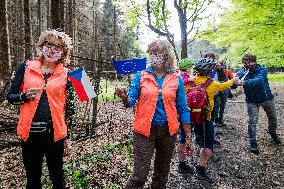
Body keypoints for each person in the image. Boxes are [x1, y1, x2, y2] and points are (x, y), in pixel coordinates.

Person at [115, 39, 192, 189]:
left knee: (161, 175)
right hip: (144, 131)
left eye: (158, 53)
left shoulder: (176, 79)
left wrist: (188, 136)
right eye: (151, 53)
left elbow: (183, 108)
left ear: (167, 55)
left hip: (168, 132)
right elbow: (130, 101)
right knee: (139, 176)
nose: (154, 56)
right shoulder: (141, 76)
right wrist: (124, 96)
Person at [7, 29, 74, 189]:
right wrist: (23, 96)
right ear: (41, 46)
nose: (51, 50)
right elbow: (10, 96)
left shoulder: (68, 74)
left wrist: (68, 137)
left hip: (55, 134)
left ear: (63, 53)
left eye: (58, 48)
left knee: (58, 177)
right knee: (33, 178)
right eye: (49, 45)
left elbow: (75, 106)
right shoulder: (25, 67)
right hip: (29, 134)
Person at [188, 58, 239, 182]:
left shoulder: (190, 82)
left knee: (201, 139)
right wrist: (234, 79)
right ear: (210, 71)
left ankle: (199, 153)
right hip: (206, 118)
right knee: (208, 147)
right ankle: (200, 170)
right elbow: (224, 86)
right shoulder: (212, 83)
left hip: (192, 117)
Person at [237, 53, 281, 155]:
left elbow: (259, 80)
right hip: (252, 101)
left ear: (254, 62)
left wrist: (244, 82)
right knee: (252, 122)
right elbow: (234, 83)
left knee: (273, 118)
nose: (247, 65)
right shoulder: (242, 72)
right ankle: (253, 143)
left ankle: (272, 131)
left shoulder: (262, 70)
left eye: (249, 62)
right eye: (245, 63)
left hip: (267, 99)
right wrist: (232, 80)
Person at [177, 58, 195, 174]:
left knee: (185, 136)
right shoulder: (181, 77)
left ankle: (182, 162)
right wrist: (189, 79)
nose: (191, 69)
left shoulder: (185, 76)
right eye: (190, 67)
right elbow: (180, 84)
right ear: (187, 67)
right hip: (183, 109)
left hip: (188, 109)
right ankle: (182, 163)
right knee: (183, 137)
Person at [212, 61, 231, 127]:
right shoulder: (213, 72)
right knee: (216, 106)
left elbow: (228, 78)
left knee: (223, 106)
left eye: (219, 65)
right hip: (217, 91)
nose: (218, 66)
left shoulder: (226, 71)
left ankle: (220, 119)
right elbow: (211, 78)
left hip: (225, 90)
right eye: (217, 65)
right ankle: (215, 120)